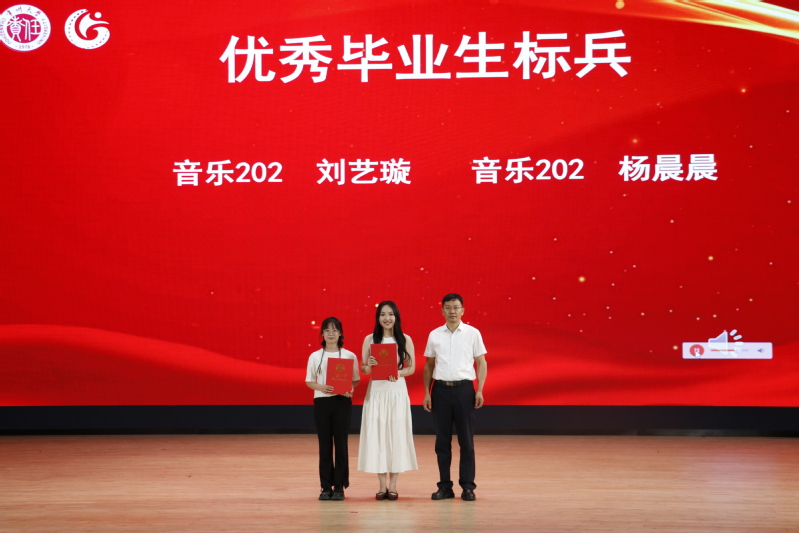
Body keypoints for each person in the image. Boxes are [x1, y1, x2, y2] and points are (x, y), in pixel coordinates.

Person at [423, 293, 487, 502]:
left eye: (456, 307)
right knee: (442, 442)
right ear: (442, 311)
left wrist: (479, 390)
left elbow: (481, 362)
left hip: (464, 391)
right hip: (440, 391)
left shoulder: (472, 333)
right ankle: (444, 487)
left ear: (463, 310)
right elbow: (429, 365)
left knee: (466, 442)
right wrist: (427, 393)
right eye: (448, 307)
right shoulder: (434, 335)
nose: (452, 311)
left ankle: (468, 487)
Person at [358, 301, 418, 500]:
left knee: (396, 436)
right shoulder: (370, 339)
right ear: (378, 318)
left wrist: (399, 373)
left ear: (396, 317)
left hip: (396, 393)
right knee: (378, 437)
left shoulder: (405, 339)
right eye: (382, 314)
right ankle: (382, 485)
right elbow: (363, 368)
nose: (387, 318)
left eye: (390, 314)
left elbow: (411, 368)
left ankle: (393, 486)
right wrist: (370, 365)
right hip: (376, 393)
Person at [305, 317, 360, 501]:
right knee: (325, 445)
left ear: (340, 333)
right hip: (322, 402)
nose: (331, 334)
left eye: (335, 330)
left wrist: (349, 388)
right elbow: (309, 381)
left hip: (342, 402)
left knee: (341, 444)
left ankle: (339, 486)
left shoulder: (349, 356)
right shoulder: (315, 356)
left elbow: (355, 379)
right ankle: (325, 486)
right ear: (322, 333)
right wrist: (322, 387)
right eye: (327, 330)